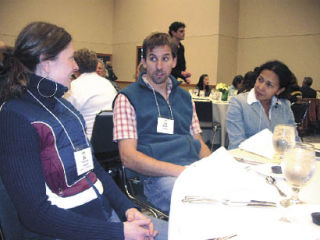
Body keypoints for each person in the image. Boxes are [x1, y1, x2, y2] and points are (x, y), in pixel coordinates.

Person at [0, 22, 167, 240]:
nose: (76, 66)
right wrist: (119, 232)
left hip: (104, 219)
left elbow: (94, 169)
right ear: (47, 63)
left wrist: (128, 210)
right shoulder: (15, 117)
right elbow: (36, 215)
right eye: (70, 58)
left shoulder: (65, 108)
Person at [113, 32, 211, 213]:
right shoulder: (127, 98)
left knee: (230, 192)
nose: (159, 66)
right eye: (153, 58)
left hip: (190, 169)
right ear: (143, 61)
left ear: (174, 61)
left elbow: (199, 143)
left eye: (165, 58)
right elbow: (128, 157)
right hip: (156, 178)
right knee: (202, 203)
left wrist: (211, 167)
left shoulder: (185, 97)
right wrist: (180, 171)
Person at [226, 60, 298, 149]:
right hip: (245, 160)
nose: (260, 87)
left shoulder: (284, 106)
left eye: (269, 85)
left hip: (279, 160)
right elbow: (236, 145)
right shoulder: (238, 103)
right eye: (260, 80)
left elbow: (294, 140)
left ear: (279, 90)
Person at [65, 48, 118, 139]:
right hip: (112, 142)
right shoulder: (108, 85)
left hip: (87, 144)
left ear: (75, 66)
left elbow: (64, 119)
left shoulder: (73, 88)